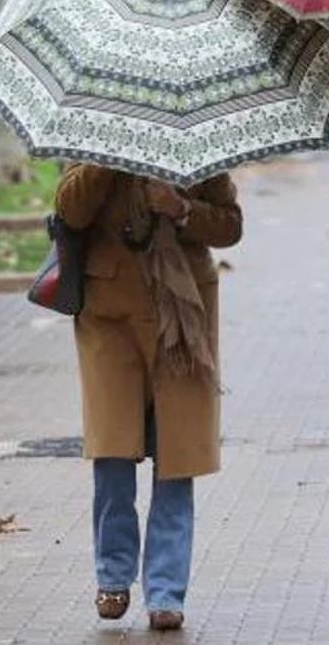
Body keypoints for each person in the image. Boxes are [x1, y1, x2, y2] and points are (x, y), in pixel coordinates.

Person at [55, 165, 242, 631]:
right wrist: (104, 162)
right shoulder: (94, 134)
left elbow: (230, 226)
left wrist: (181, 209)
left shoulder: (201, 141)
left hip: (183, 314)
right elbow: (70, 212)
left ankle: (165, 592)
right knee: (113, 452)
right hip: (109, 316)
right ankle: (113, 577)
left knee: (177, 456)